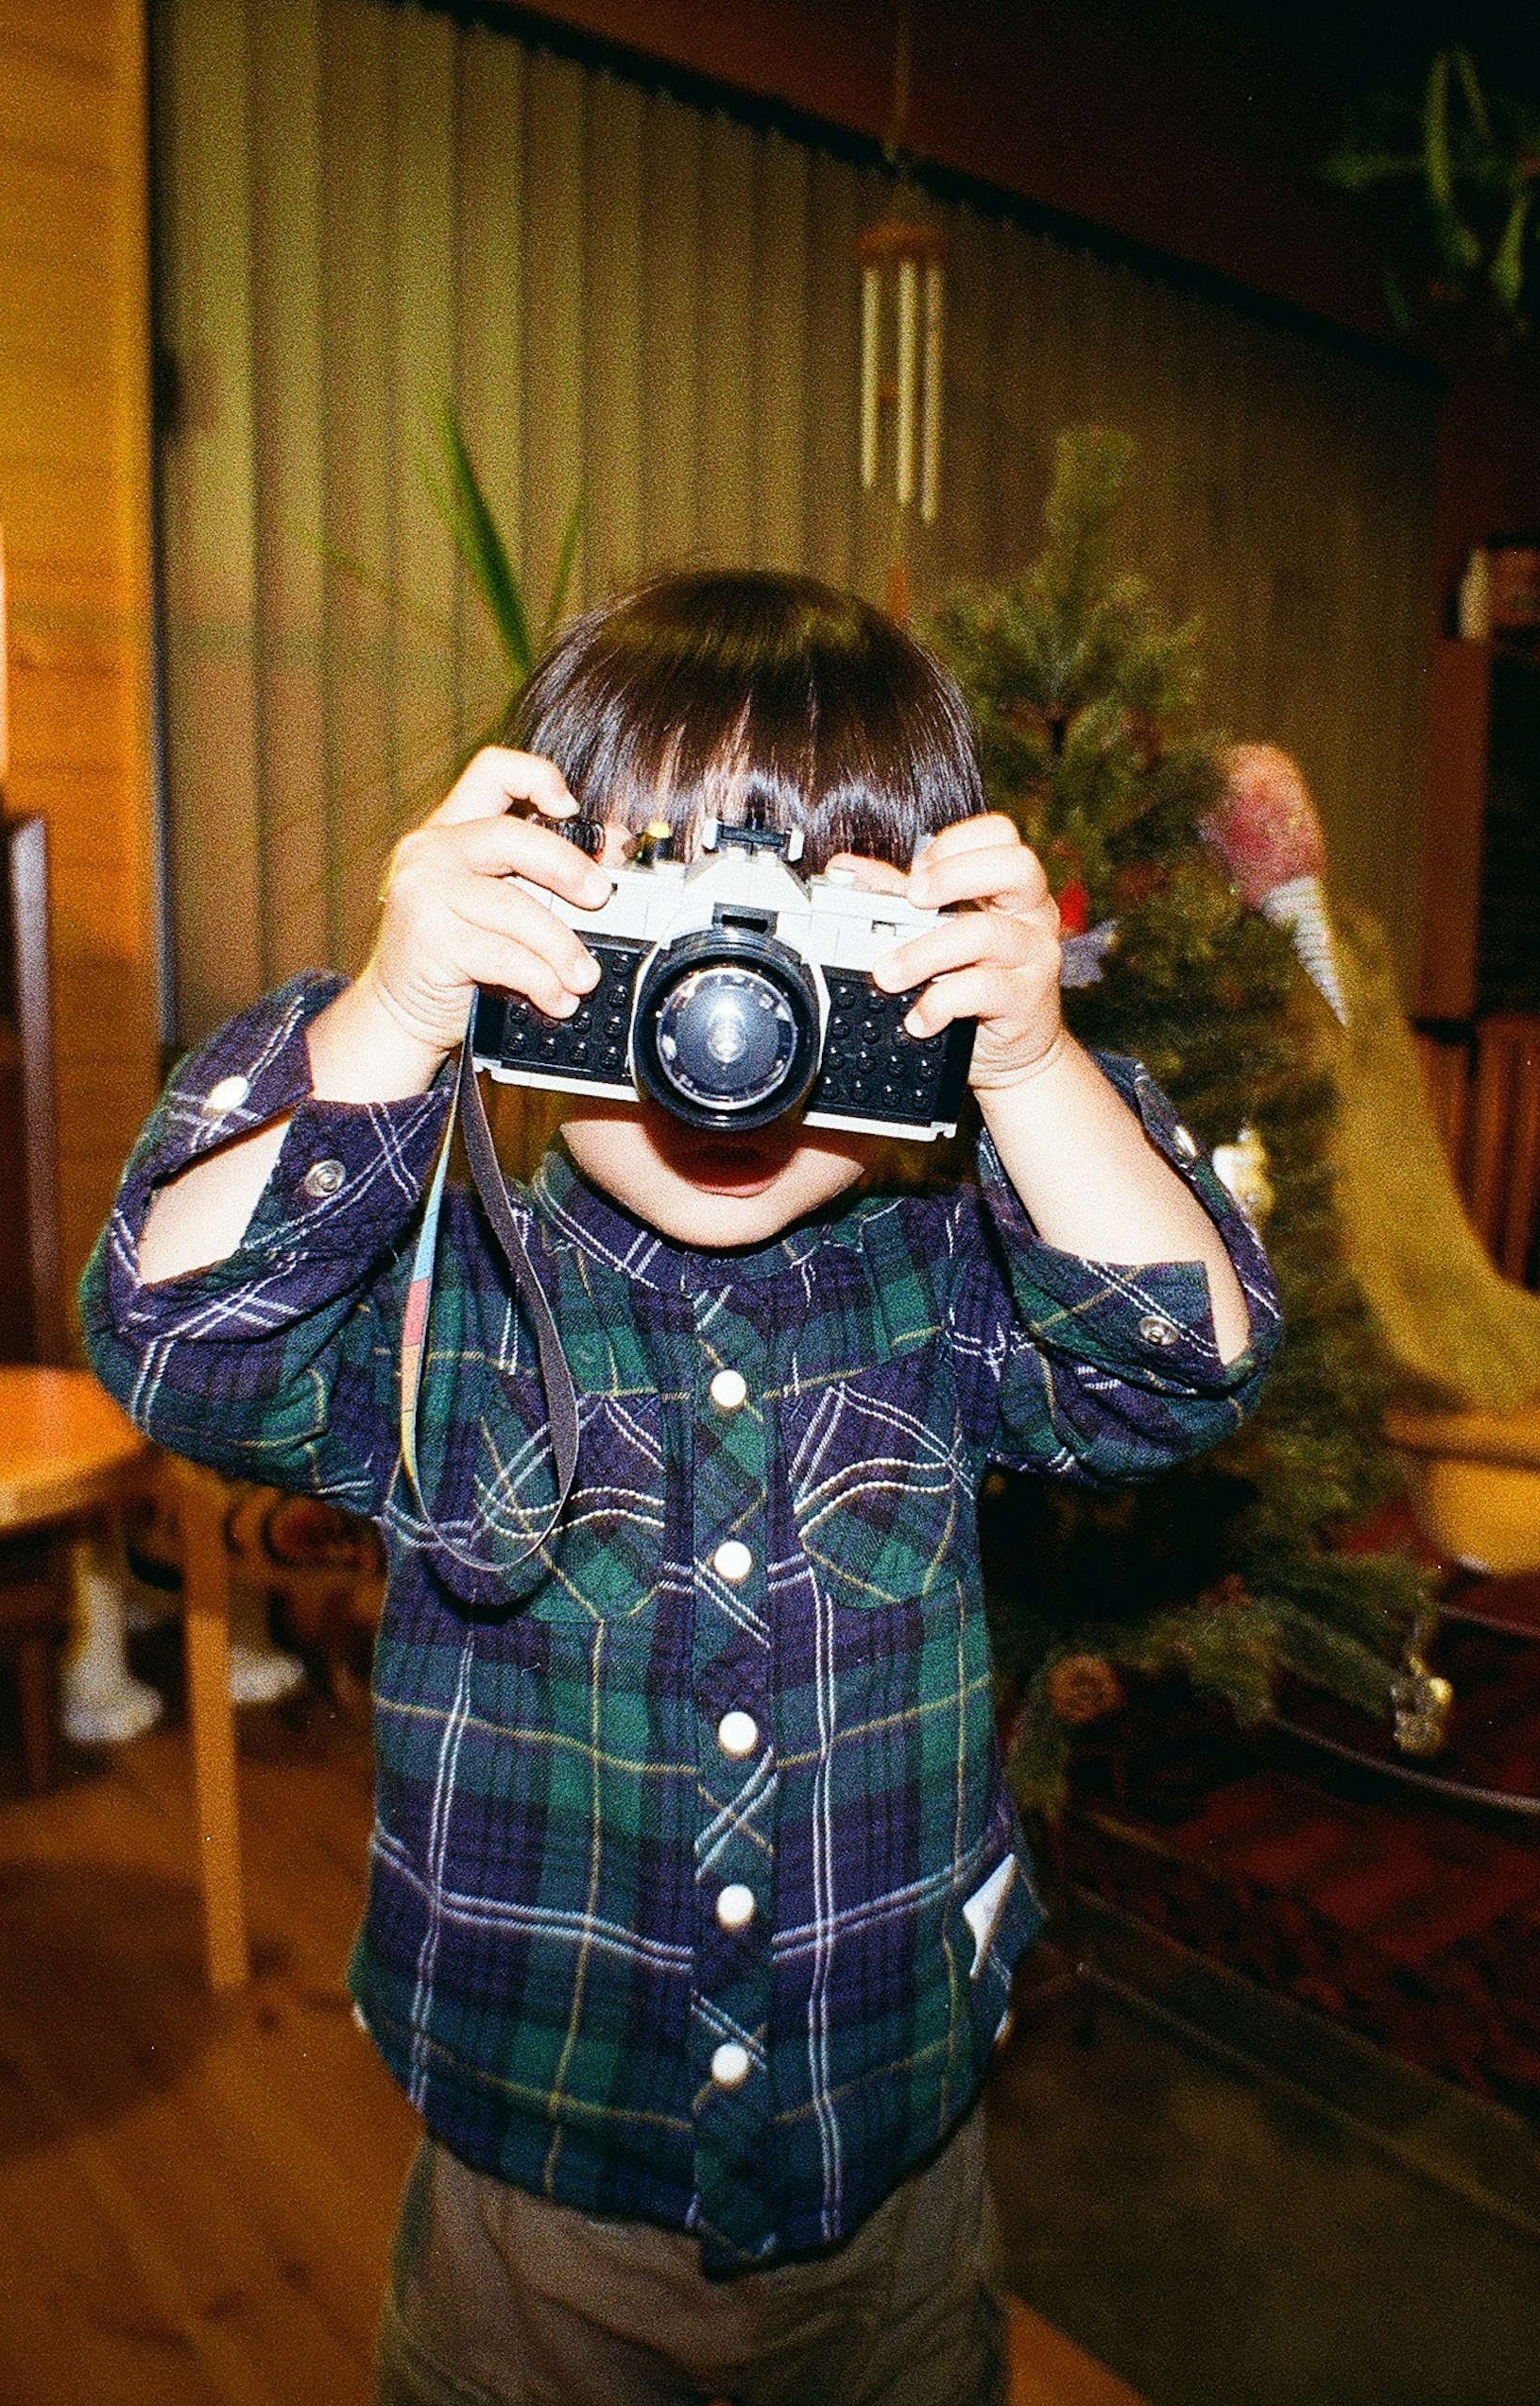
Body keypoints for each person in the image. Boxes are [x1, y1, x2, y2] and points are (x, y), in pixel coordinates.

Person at [85, 569, 1277, 2405]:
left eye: (804, 958)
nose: (731, 1039)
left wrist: (1031, 1061)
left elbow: (1180, 1367)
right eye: (670, 945)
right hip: (541, 2212)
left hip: (896, 2178)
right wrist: (394, 1014)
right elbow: (173, 1337)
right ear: (534, 931)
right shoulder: (443, 1295)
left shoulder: (949, 1282)